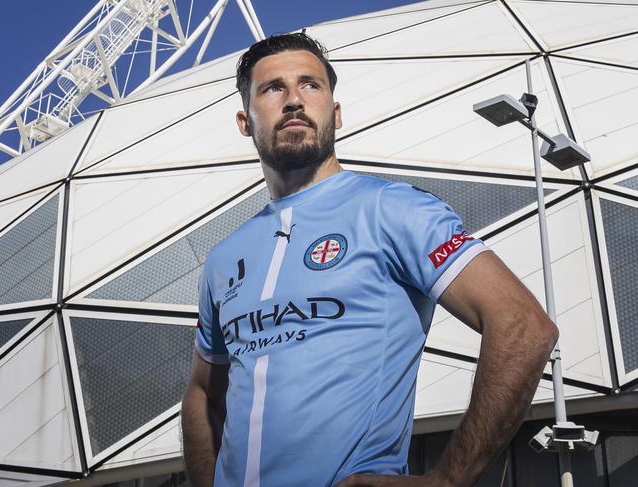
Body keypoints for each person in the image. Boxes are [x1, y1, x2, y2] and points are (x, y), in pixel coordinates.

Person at [181, 33, 558, 487]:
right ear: (246, 121)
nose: (295, 101)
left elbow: (523, 324)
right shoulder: (225, 257)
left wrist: (446, 480)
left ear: (335, 113)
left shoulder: (392, 209)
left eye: (311, 85)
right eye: (273, 88)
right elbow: (204, 393)